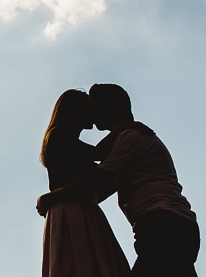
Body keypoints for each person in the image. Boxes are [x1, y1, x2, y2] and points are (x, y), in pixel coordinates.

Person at [38, 84, 201, 276]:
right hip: (166, 223)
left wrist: (51, 197)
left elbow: (98, 181)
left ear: (108, 107)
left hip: (163, 223)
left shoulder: (129, 138)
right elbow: (101, 184)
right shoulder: (126, 137)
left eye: (95, 105)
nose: (92, 112)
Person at [38, 89, 131, 277]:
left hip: (77, 208)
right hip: (72, 210)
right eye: (89, 107)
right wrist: (124, 127)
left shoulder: (63, 139)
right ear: (76, 111)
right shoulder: (59, 136)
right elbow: (98, 154)